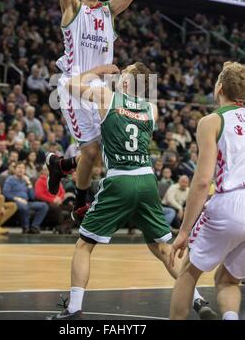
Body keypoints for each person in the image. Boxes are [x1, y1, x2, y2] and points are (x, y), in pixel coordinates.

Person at [47, 63, 217, 320]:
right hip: (147, 180)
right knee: (162, 248)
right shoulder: (152, 108)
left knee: (84, 245)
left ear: (127, 82)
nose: (119, 74)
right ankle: (199, 300)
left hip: (121, 180)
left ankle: (73, 309)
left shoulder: (107, 96)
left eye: (123, 72)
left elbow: (68, 85)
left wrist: (100, 70)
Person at [46, 0, 141, 222]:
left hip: (99, 89)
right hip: (73, 87)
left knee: (99, 150)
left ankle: (62, 166)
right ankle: (79, 203)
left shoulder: (108, 12)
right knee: (92, 151)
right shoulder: (72, 9)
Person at [169, 61, 245, 320]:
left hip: (230, 202)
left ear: (220, 88)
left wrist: (184, 231)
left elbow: (202, 181)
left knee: (188, 271)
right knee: (228, 280)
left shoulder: (212, 121)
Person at [3, 161, 48, 234]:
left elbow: (32, 197)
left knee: (44, 206)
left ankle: (34, 226)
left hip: (27, 202)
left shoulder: (26, 180)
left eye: (23, 168)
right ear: (15, 169)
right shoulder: (10, 179)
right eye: (19, 168)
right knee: (24, 206)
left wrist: (29, 183)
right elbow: (6, 193)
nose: (21, 170)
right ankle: (26, 228)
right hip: (15, 201)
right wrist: (18, 199)